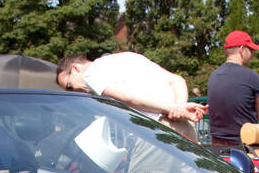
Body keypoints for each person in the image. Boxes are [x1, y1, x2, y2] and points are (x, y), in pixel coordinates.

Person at [56, 52, 206, 140]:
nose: (74, 92)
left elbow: (128, 98)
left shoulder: (91, 74)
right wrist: (179, 109)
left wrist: (174, 109)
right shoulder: (127, 57)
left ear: (75, 68)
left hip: (156, 131)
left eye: (69, 86)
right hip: (185, 128)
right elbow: (176, 80)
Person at [205, 30, 259, 149]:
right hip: (245, 149)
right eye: (250, 50)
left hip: (217, 149)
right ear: (242, 49)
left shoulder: (214, 76)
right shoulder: (251, 77)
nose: (252, 54)